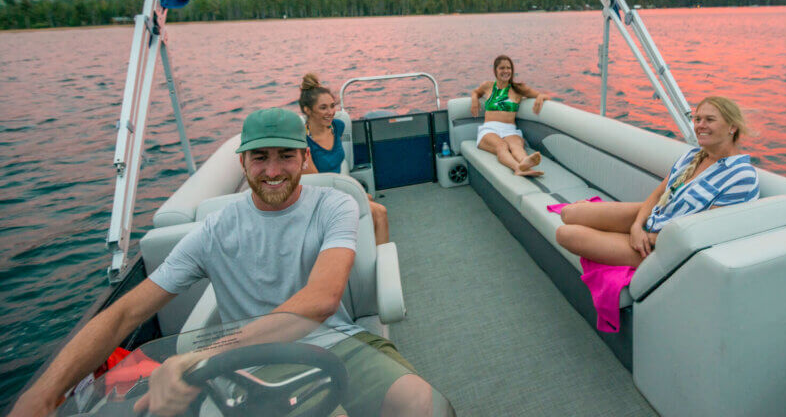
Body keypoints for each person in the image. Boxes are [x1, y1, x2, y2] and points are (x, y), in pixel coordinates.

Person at [11, 108, 431, 417]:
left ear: (305, 157)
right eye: (259, 157)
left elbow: (321, 300)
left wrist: (199, 355)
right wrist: (43, 395)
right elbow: (124, 314)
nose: (272, 170)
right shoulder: (214, 232)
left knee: (420, 402)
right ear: (243, 162)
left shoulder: (334, 204)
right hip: (253, 364)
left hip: (339, 341)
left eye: (285, 156)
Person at [556, 96, 760, 267]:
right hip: (655, 218)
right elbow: (657, 195)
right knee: (569, 213)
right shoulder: (693, 156)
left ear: (732, 127)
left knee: (565, 234)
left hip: (669, 247)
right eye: (697, 119)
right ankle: (618, 230)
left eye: (709, 120)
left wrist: (646, 239)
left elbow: (703, 231)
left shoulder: (741, 176)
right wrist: (637, 225)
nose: (700, 125)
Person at [300, 72, 390, 245]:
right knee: (380, 212)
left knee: (368, 199)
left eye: (332, 106)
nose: (331, 112)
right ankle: (381, 264)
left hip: (336, 189)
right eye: (323, 108)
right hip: (320, 198)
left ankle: (365, 248)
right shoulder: (303, 142)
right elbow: (317, 185)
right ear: (307, 110)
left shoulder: (337, 127)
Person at [470, 55, 550, 177]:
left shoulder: (518, 89)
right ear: (495, 70)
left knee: (516, 146)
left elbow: (542, 95)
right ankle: (517, 168)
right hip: (489, 129)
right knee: (502, 146)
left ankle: (525, 162)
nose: (506, 71)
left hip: (509, 129)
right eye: (502, 68)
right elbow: (475, 92)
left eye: (509, 68)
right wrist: (474, 99)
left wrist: (540, 98)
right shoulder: (488, 86)